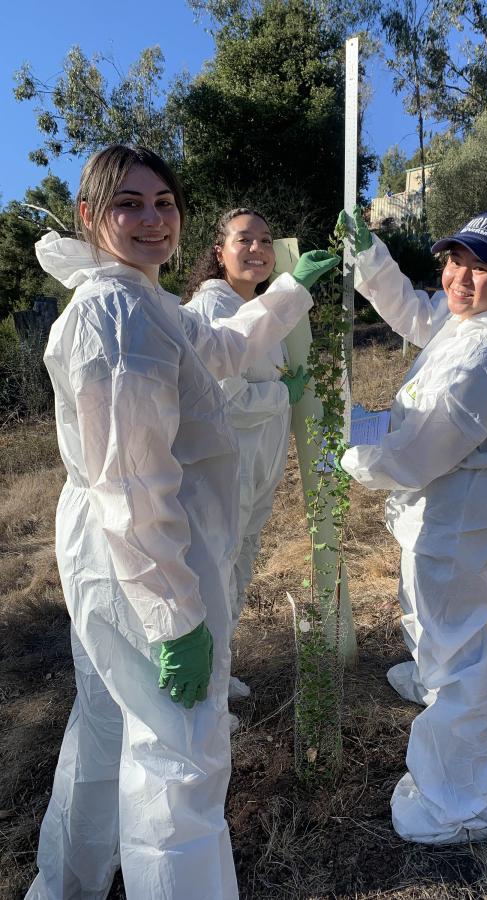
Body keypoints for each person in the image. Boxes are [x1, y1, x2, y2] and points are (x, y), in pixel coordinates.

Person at [25, 144, 338, 900]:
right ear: (89, 216)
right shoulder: (114, 314)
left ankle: (66, 884)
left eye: (163, 203)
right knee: (182, 759)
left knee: (107, 725)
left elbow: (224, 347)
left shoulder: (146, 304)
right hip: (146, 557)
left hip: (120, 555)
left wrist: (291, 289)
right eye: (127, 203)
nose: (150, 218)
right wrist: (174, 617)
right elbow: (132, 486)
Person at [339, 208, 487, 845]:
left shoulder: (485, 355)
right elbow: (418, 313)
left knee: (457, 647)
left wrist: (344, 433)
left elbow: (410, 453)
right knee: (431, 604)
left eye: (480, 267)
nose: (459, 277)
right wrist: (370, 256)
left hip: (460, 506)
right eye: (454, 259)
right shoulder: (469, 321)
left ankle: (457, 802)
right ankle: (427, 669)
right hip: (461, 496)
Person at [183, 209, 307, 719]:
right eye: (243, 240)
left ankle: (219, 667)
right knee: (214, 573)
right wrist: (281, 394)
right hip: (221, 471)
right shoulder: (209, 309)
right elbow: (221, 398)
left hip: (257, 472)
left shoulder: (261, 307)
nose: (256, 248)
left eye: (265, 240)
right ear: (219, 253)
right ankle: (204, 703)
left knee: (239, 568)